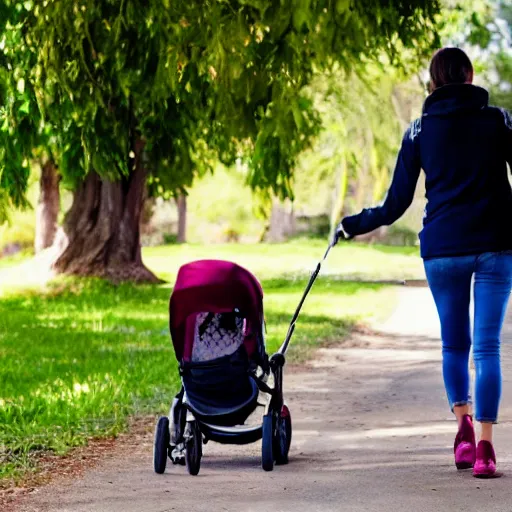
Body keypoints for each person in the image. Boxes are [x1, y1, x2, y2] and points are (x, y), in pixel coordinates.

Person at [334, 47, 512, 479]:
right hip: (495, 243)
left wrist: (351, 225)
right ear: (470, 77)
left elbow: (395, 205)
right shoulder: (499, 120)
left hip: (443, 249)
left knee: (455, 345)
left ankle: (464, 431)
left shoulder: (419, 131)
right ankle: (487, 449)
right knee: (487, 348)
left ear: (432, 83)